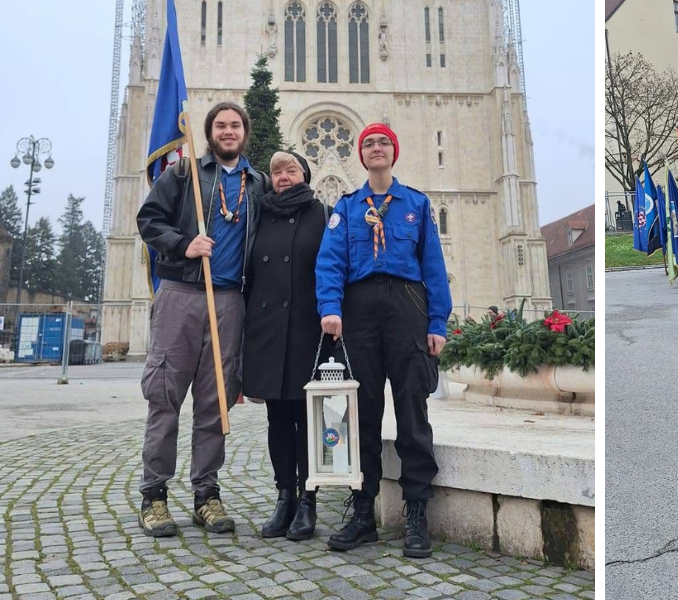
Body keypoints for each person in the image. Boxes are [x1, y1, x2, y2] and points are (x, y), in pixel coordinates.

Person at [315, 123, 452, 555]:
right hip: (360, 311)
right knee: (362, 412)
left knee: (412, 408)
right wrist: (330, 308)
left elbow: (433, 265)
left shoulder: (416, 204)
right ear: (361, 156)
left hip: (408, 306)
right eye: (369, 144)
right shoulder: (348, 207)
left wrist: (438, 323)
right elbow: (331, 260)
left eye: (382, 143)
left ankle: (416, 512)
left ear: (394, 152)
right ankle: (362, 513)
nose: (376, 149)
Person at [136, 102, 266, 537]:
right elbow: (148, 219)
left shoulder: (257, 184)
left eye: (235, 126)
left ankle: (206, 494)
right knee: (165, 396)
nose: (228, 132)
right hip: (181, 295)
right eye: (220, 126)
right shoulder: (184, 174)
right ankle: (154, 496)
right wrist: (183, 243)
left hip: (229, 302)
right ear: (209, 132)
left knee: (215, 403)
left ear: (245, 133)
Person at [242, 151, 328, 541]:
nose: (283, 176)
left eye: (291, 169)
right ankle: (284, 497)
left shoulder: (321, 213)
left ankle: (308, 499)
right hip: (268, 329)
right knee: (277, 420)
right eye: (276, 171)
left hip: (307, 329)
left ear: (305, 175)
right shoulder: (259, 214)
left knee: (306, 418)